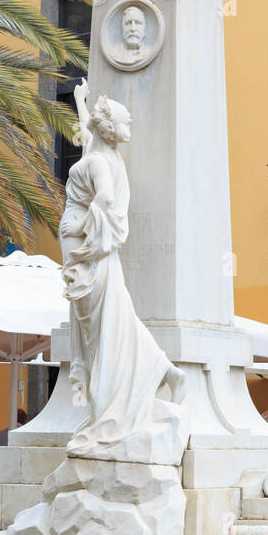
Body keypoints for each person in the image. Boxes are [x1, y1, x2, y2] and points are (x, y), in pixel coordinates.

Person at [60, 80, 186, 459]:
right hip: (89, 249)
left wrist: (77, 226)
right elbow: (87, 136)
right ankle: (161, 368)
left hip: (85, 246)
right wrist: (82, 101)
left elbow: (107, 199)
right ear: (108, 127)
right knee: (112, 317)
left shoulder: (99, 161)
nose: (130, 125)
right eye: (124, 120)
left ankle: (134, 383)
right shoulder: (102, 156)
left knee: (101, 326)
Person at [0, 409, 29, 475]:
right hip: (24, 477)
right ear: (25, 421)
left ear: (11, 419)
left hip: (3, 477)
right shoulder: (29, 436)